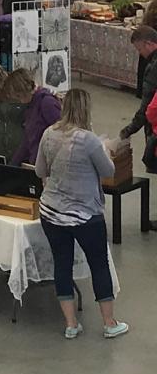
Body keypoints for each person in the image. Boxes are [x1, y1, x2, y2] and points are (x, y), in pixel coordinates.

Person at [34, 89, 126, 340]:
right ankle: (109, 323)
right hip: (85, 214)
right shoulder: (89, 140)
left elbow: (40, 170)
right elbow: (108, 170)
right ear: (86, 109)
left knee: (61, 264)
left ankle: (71, 324)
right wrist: (104, 148)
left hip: (52, 211)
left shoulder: (48, 133)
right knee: (99, 264)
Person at [118, 25, 157, 173]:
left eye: (139, 49)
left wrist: (129, 130)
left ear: (149, 44)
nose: (141, 54)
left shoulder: (153, 69)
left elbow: (147, 108)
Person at [10, 67, 62, 167]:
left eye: (18, 96)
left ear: (24, 91)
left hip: (50, 164)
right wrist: (12, 165)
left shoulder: (47, 103)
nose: (17, 100)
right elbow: (28, 139)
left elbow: (62, 133)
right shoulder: (30, 105)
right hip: (37, 162)